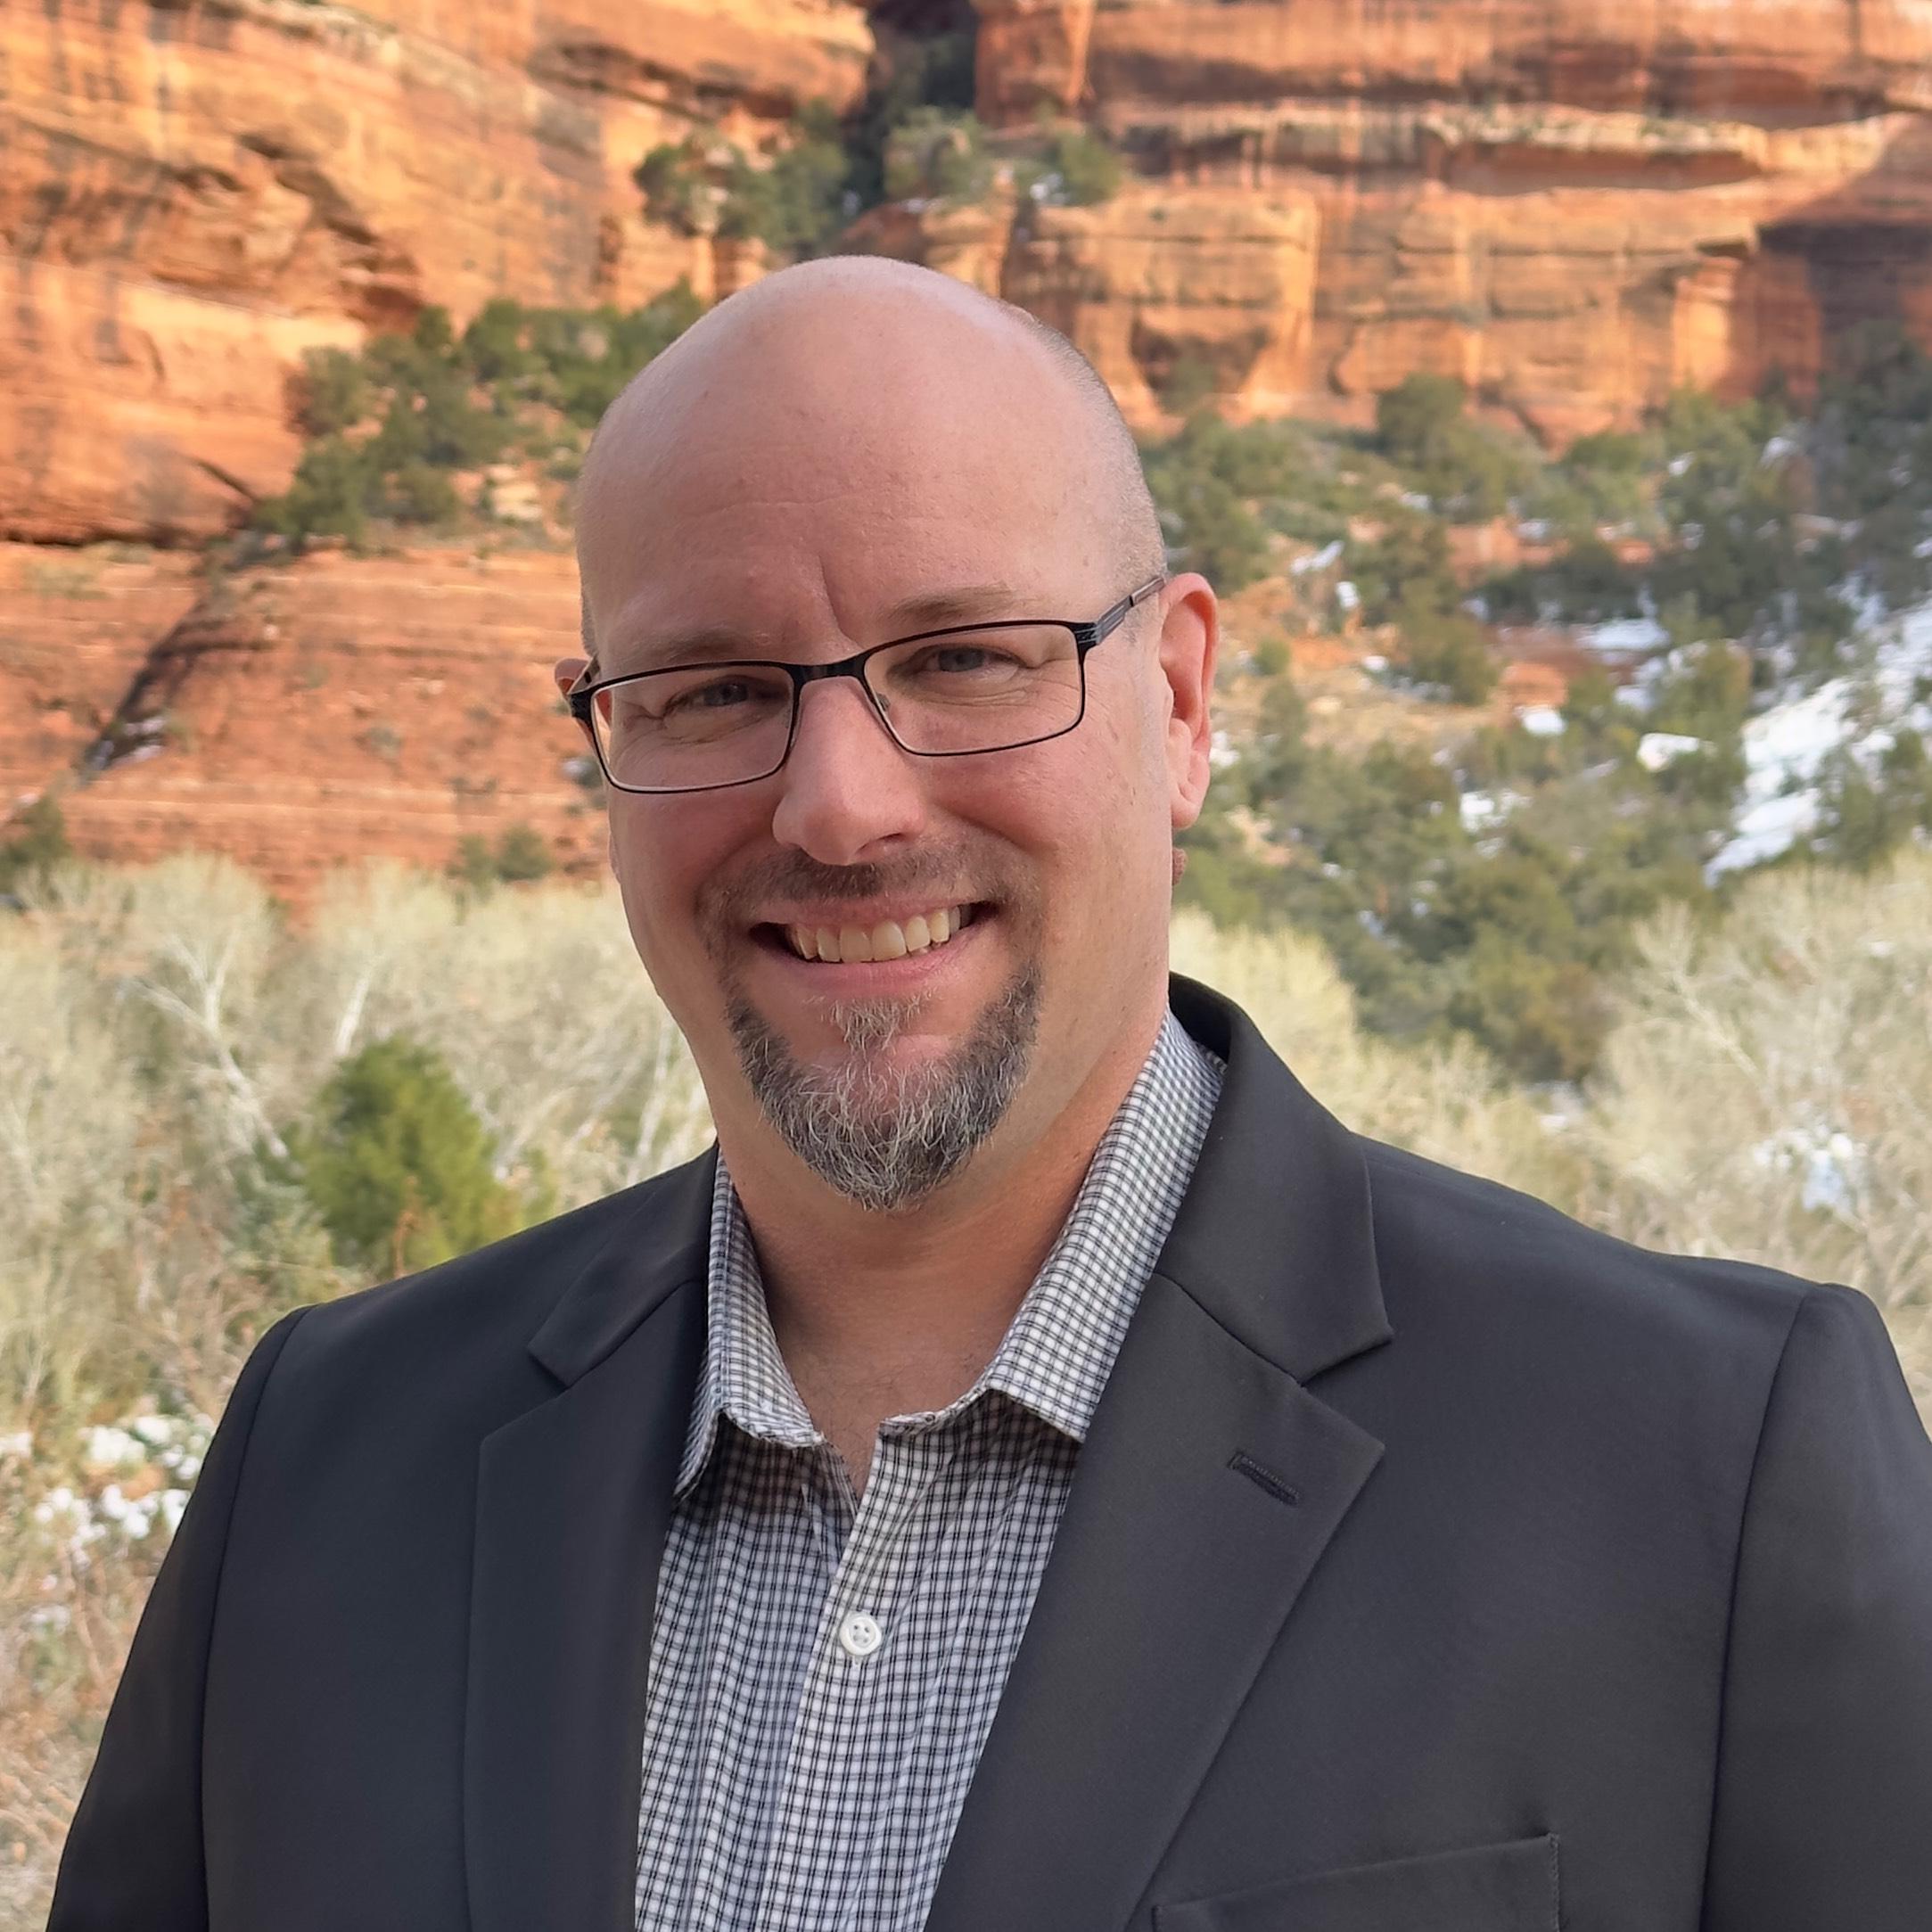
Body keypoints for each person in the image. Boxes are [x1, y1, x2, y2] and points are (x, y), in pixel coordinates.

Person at [49, 256, 1932, 1932]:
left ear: (1179, 702)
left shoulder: (1704, 1466)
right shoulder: (328, 1459)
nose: (839, 807)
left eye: (963, 659)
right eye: (711, 689)